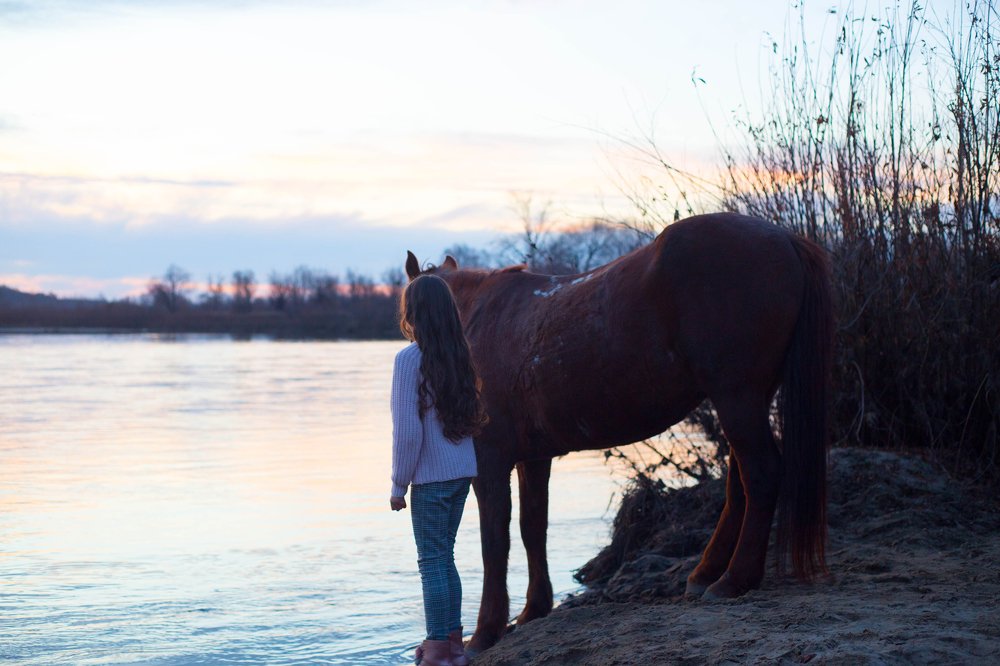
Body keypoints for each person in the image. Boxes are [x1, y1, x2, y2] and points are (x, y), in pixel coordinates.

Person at [390, 273, 487, 666]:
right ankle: (453, 647)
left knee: (431, 561)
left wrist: (398, 484)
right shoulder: (460, 353)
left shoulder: (408, 359)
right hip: (462, 472)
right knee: (444, 557)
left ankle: (436, 651)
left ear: (413, 313)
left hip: (430, 478)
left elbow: (407, 432)